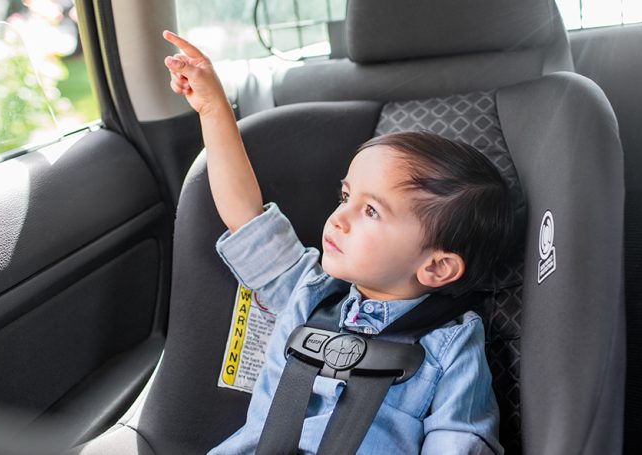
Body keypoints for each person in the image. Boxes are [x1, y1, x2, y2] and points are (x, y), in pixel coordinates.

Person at [163, 30, 511, 455]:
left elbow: (460, 440)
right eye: (346, 197)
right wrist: (214, 109)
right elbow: (245, 217)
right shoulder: (306, 292)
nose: (339, 218)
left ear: (436, 267)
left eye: (371, 211)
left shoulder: (449, 346)